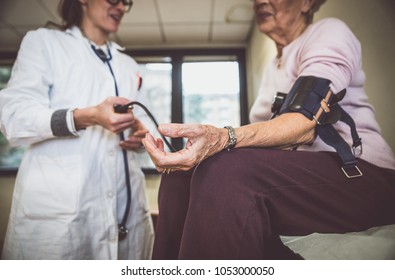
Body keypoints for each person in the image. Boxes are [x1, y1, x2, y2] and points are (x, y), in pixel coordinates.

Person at [142, 0, 395, 259]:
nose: (260, 1)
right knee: (180, 176)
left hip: (362, 174)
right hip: (304, 177)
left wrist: (222, 138)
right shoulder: (273, 66)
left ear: (306, 3)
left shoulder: (328, 32)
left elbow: (305, 120)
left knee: (226, 171)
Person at [0, 0, 154, 259]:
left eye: (125, 2)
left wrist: (142, 135)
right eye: (113, 0)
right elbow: (14, 118)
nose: (120, 7)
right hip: (60, 221)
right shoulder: (44, 43)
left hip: (128, 213)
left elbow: (148, 123)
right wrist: (85, 117)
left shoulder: (129, 65)